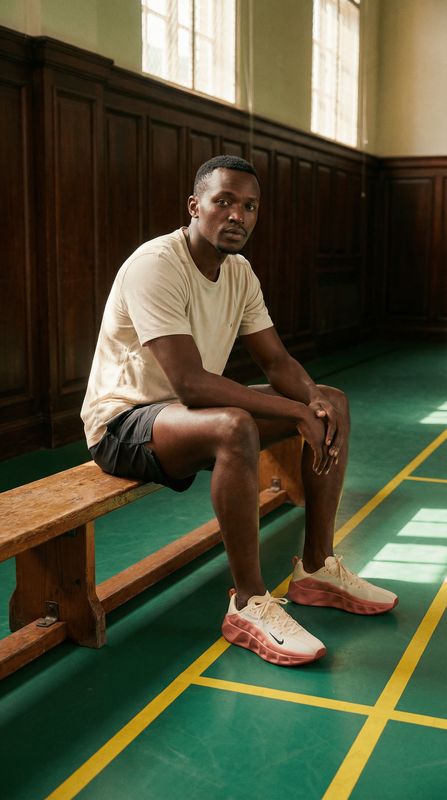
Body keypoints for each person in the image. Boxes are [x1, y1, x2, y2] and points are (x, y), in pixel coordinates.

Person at [81, 155, 397, 667]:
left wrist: (310, 399)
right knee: (234, 425)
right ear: (194, 206)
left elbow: (275, 360)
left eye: (249, 206)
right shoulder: (155, 264)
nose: (237, 215)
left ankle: (317, 568)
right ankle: (249, 602)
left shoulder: (239, 271)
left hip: (184, 414)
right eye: (223, 201)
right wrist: (292, 411)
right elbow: (190, 383)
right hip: (123, 423)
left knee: (332, 401)